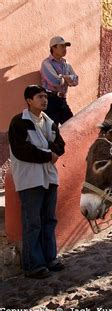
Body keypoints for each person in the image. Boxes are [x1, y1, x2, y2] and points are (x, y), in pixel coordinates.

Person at [8, 85, 66, 279]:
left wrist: (47, 150)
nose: (45, 100)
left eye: (45, 96)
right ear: (29, 100)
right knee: (32, 222)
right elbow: (21, 150)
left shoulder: (49, 122)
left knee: (49, 220)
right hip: (30, 178)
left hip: (49, 176)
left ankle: (50, 258)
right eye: (40, 96)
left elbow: (61, 147)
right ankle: (34, 265)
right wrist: (48, 154)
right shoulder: (19, 122)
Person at [40, 36, 78, 126]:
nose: (65, 49)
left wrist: (63, 77)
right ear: (53, 47)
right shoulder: (46, 63)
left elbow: (76, 80)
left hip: (62, 100)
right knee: (52, 131)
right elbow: (55, 81)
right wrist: (68, 79)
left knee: (71, 126)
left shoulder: (66, 64)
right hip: (50, 100)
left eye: (65, 46)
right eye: (62, 46)